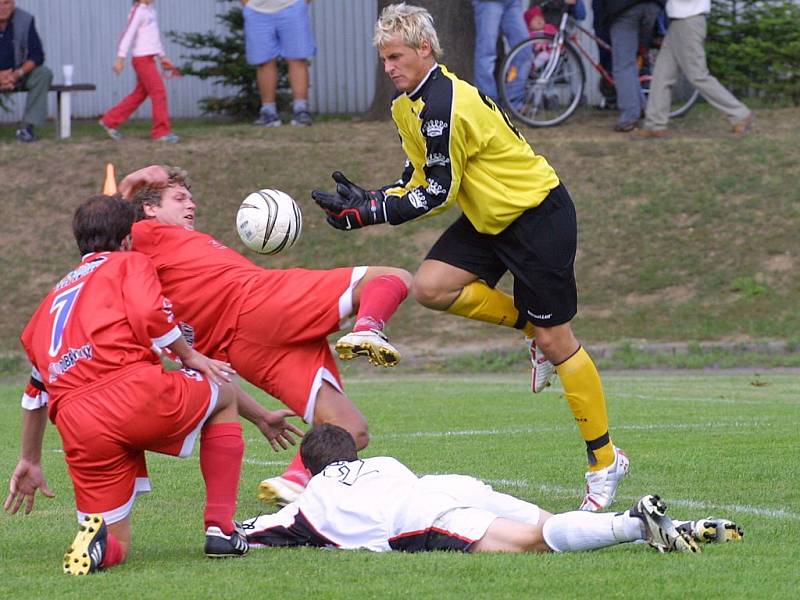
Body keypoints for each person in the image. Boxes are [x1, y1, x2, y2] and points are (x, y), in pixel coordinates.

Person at [313, 3, 626, 512]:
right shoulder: (404, 106)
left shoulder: (446, 104)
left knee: (559, 339)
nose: (389, 67)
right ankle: (532, 331)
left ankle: (605, 460)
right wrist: (371, 197)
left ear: (425, 50)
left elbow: (437, 191)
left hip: (538, 216)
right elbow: (416, 177)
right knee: (432, 286)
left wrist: (373, 214)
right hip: (490, 218)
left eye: (396, 56)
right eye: (383, 58)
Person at [3, 195, 292, 574]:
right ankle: (221, 527)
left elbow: (35, 394)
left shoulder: (49, 302)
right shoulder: (129, 262)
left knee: (116, 541)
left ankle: (97, 547)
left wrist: (30, 459)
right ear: (126, 240)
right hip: (130, 391)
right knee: (220, 389)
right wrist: (190, 356)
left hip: (77, 422)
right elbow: (148, 312)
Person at [113, 164, 412, 507]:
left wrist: (260, 416)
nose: (191, 205)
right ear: (150, 208)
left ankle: (294, 482)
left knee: (351, 428)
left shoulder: (160, 270)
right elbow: (102, 227)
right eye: (179, 198)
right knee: (393, 277)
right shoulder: (147, 232)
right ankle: (368, 329)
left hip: (246, 349)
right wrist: (128, 186)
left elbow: (214, 376)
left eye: (191, 199)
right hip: (258, 303)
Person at [243, 424, 743, 555]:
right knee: (548, 522)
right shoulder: (383, 460)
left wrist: (238, 528)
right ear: (353, 452)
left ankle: (634, 523)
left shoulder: (308, 503)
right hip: (444, 486)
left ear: (308, 471)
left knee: (531, 543)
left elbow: (247, 531)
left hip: (413, 516)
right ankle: (670, 528)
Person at [636, 0, 754, 138]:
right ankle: (654, 125)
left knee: (698, 75)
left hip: (689, 21)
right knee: (661, 76)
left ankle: (740, 114)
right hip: (678, 23)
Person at [99, 0, 180, 143]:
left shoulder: (150, 11)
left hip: (150, 58)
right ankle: (160, 132)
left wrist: (162, 56)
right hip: (142, 60)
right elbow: (127, 34)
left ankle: (109, 120)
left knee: (139, 94)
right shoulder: (138, 11)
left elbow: (154, 38)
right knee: (158, 92)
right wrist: (120, 57)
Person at [242, 0, 315, 127]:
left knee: (297, 58)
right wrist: (248, 4)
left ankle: (301, 110)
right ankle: (268, 112)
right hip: (256, 10)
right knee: (264, 61)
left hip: (292, 7)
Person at [600, 0, 665, 132]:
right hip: (652, 6)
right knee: (630, 63)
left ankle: (629, 118)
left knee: (623, 65)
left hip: (624, 7)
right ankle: (641, 107)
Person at [0, 0, 53, 143]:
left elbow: (37, 55)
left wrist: (16, 74)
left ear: (13, 4)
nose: (2, 8)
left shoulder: (25, 20)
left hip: (17, 76)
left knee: (43, 74)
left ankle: (27, 130)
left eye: (6, 3)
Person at [471, 0, 528, 104]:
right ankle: (488, 103)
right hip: (488, 3)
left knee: (524, 51)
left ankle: (513, 101)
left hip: (513, 3)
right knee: (487, 53)